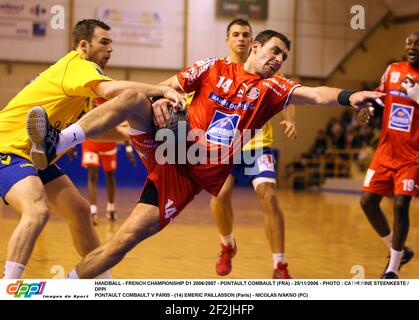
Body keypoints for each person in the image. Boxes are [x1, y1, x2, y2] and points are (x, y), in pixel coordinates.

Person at [26, 29, 383, 279]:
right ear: (256, 47)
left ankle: (64, 289)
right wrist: (160, 98)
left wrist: (349, 96)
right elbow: (166, 86)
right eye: (274, 51)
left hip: (188, 175)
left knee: (123, 241)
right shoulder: (213, 67)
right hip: (170, 143)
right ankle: (58, 142)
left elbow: (317, 94)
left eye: (284, 56)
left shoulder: (275, 89)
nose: (278, 60)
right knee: (134, 99)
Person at [0, 19, 183, 279]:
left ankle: (100, 282)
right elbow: (112, 91)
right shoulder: (77, 65)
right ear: (84, 45)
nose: (110, 49)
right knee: (37, 210)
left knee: (80, 211)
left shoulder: (83, 86)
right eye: (104, 42)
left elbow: (98, 127)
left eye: (112, 43)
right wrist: (162, 89)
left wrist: (132, 136)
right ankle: (8, 286)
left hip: (36, 158)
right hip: (7, 148)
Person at [209, 19, 297, 279]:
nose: (241, 39)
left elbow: (287, 95)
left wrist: (289, 119)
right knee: (220, 196)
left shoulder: (266, 68)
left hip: (257, 144)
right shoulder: (218, 69)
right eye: (235, 34)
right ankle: (227, 244)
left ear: (254, 41)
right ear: (227, 39)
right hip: (225, 144)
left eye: (246, 34)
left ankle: (280, 265)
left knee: (268, 196)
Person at [360, 31, 419, 279]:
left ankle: (392, 269)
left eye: (418, 43)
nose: (412, 46)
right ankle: (399, 250)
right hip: (385, 152)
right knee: (367, 202)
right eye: (409, 42)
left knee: (401, 204)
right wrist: (367, 106)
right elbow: (380, 95)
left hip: (412, 156)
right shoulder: (393, 69)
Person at [81, 98, 137, 225]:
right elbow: (78, 119)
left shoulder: (110, 98)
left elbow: (124, 124)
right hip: (91, 141)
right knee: (92, 175)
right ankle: (93, 210)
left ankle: (111, 208)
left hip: (109, 141)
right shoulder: (86, 97)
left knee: (110, 176)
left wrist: (128, 148)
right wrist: (71, 145)